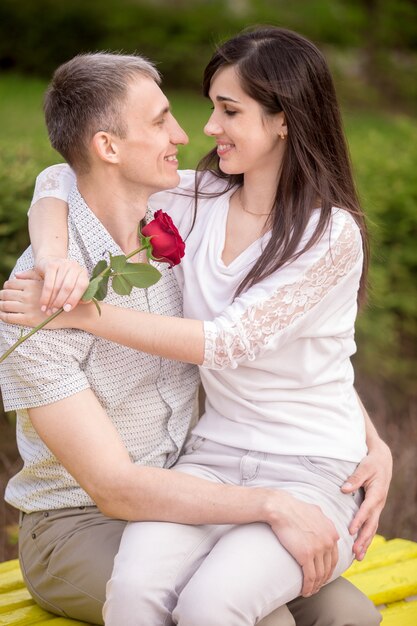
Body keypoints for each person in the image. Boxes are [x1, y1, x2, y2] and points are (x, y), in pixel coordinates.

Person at [0, 38, 390, 626]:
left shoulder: (171, 229)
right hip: (87, 517)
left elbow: (275, 345)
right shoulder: (34, 305)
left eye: (225, 110)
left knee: (348, 616)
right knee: (259, 616)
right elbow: (115, 488)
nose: (191, 133)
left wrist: (371, 441)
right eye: (163, 120)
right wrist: (55, 262)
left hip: (210, 484)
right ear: (107, 146)